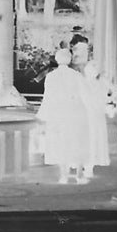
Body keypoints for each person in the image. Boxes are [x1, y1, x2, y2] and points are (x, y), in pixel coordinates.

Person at [36, 47, 91, 183]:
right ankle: (79, 175)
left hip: (58, 114)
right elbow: (85, 95)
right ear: (70, 59)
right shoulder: (77, 75)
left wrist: (42, 116)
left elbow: (47, 97)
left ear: (56, 59)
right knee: (77, 142)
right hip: (75, 112)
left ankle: (63, 175)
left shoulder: (51, 77)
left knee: (61, 143)